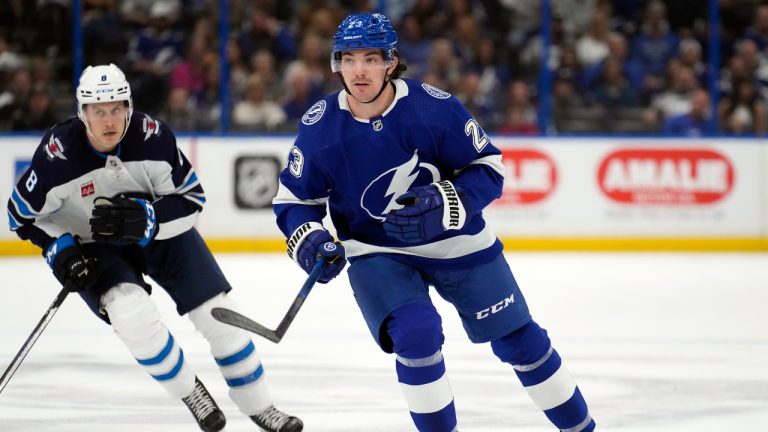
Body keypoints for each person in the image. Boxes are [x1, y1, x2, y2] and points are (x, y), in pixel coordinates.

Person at [272, 12, 596, 432]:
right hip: (377, 249)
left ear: (391, 62)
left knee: (521, 341)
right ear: (337, 64)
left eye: (370, 59)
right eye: (348, 60)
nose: (359, 71)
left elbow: (489, 168)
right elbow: (295, 199)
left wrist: (447, 203)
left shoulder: (433, 108)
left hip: (457, 242)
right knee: (416, 335)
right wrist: (310, 237)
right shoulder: (320, 127)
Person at [6, 63, 303, 432]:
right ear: (82, 113)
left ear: (129, 107)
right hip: (95, 247)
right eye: (98, 111)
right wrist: (61, 250)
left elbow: (191, 200)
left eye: (116, 109)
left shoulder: (153, 138)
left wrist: (150, 218)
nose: (109, 121)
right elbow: (20, 216)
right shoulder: (57, 155)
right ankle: (190, 392)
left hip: (161, 235)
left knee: (219, 313)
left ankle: (261, 406)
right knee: (132, 317)